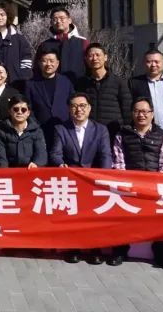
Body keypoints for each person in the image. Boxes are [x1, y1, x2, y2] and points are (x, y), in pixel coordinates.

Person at [109, 97, 163, 268]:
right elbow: (118, 164)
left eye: (145, 111)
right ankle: (119, 250)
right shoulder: (122, 135)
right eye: (137, 111)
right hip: (128, 186)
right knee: (121, 212)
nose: (141, 115)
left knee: (162, 216)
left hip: (155, 187)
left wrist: (152, 186)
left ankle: (161, 252)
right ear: (132, 114)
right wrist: (128, 185)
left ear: (152, 114)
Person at [49, 91, 111, 265]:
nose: (79, 110)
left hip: (94, 180)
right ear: (69, 109)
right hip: (71, 180)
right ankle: (74, 247)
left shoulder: (100, 130)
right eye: (74, 106)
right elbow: (55, 153)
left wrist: (103, 177)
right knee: (73, 216)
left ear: (89, 108)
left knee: (94, 216)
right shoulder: (61, 129)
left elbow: (105, 155)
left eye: (82, 106)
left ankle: (95, 248)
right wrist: (61, 165)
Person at [75, 43, 132, 135]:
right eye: (91, 56)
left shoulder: (119, 82)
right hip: (90, 132)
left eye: (98, 55)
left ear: (105, 57)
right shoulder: (82, 84)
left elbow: (127, 110)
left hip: (113, 132)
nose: (94, 58)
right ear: (86, 59)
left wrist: (126, 132)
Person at [25, 48, 73, 138]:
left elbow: (72, 103)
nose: (48, 64)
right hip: (40, 131)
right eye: (45, 61)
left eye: (52, 61)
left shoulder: (66, 82)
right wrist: (35, 126)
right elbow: (28, 107)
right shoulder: (31, 84)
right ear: (39, 63)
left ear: (57, 63)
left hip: (64, 129)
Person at [0, 95, 47, 169]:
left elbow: (41, 154)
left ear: (28, 113)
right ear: (10, 111)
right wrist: (4, 172)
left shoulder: (37, 131)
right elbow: (1, 158)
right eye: (16, 109)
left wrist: (36, 164)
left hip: (31, 171)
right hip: (10, 173)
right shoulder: (0, 132)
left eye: (23, 110)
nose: (19, 112)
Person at [37, 7, 89, 83]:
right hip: (51, 86)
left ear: (69, 20)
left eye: (62, 18)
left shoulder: (83, 42)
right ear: (51, 22)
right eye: (55, 19)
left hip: (78, 86)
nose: (58, 21)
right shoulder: (44, 45)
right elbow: (37, 68)